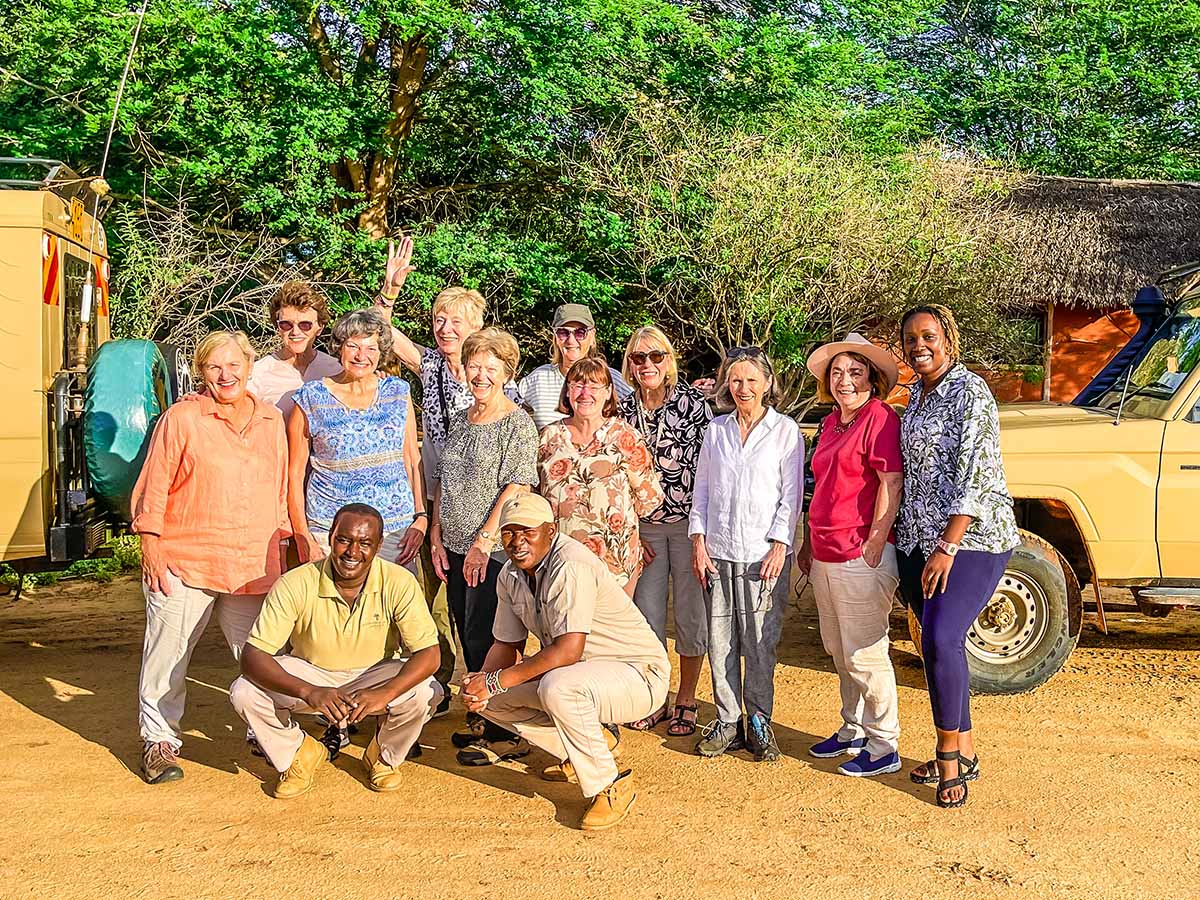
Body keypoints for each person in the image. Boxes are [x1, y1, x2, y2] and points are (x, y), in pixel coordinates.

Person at [130, 330, 289, 784]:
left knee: (261, 654)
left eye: (234, 365)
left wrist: (284, 547)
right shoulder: (182, 419)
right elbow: (154, 485)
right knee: (169, 655)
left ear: (249, 366)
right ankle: (159, 740)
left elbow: (279, 490)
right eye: (215, 366)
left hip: (252, 562)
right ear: (201, 372)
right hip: (185, 558)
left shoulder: (270, 420)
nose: (226, 374)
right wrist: (151, 543)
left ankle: (267, 732)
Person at [463, 493, 670, 831]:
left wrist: (497, 680)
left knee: (558, 687)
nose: (517, 542)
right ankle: (590, 749)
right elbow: (506, 643)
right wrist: (482, 684)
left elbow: (568, 651)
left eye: (527, 531)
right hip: (581, 678)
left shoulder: (570, 564)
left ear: (551, 529)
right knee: (489, 698)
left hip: (638, 675)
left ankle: (610, 785)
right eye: (509, 533)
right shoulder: (511, 575)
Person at [895, 304, 1019, 809]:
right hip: (917, 542)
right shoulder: (915, 400)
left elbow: (976, 474)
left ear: (948, 338)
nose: (918, 345)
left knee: (944, 637)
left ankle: (948, 756)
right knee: (935, 643)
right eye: (910, 338)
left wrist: (948, 545)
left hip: (970, 541)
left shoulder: (971, 393)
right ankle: (964, 746)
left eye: (928, 336)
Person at [230, 504, 442, 798]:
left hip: (372, 677)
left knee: (426, 691)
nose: (353, 552)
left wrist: (385, 693)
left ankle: (382, 757)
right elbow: (253, 656)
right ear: (330, 537)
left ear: (379, 546)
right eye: (344, 540)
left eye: (365, 543)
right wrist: (309, 691)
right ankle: (298, 754)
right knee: (244, 692)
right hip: (312, 675)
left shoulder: (399, 581)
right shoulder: (296, 582)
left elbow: (429, 654)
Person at [371, 237, 496, 699]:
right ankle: (435, 686)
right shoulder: (431, 365)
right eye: (440, 319)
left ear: (475, 328)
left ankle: (486, 687)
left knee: (477, 602)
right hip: (430, 498)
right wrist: (390, 289)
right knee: (427, 594)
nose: (445, 328)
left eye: (455, 321)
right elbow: (377, 333)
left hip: (479, 505)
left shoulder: (494, 375)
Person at [796, 333, 904, 777]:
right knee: (838, 648)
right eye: (837, 372)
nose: (844, 380)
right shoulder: (830, 423)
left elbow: (890, 482)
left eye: (855, 372)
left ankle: (885, 743)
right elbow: (821, 486)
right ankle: (852, 728)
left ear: (872, 379)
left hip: (860, 550)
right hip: (825, 549)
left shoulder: (878, 418)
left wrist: (876, 540)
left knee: (864, 651)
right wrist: (807, 541)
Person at [429, 327, 539, 763]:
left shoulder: (517, 422)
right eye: (474, 365)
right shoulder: (460, 420)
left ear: (506, 372)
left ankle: (505, 728)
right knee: (466, 632)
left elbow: (516, 487)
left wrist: (483, 541)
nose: (480, 374)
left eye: (490, 367)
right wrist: (437, 535)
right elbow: (444, 482)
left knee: (493, 637)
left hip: (490, 550)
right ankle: (482, 715)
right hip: (453, 544)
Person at [689, 346, 803, 762]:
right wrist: (698, 542)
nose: (743, 388)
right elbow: (701, 491)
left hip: (762, 555)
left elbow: (791, 494)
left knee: (759, 642)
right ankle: (726, 720)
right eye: (735, 380)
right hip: (718, 552)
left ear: (768, 383)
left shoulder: (785, 430)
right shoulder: (715, 431)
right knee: (719, 641)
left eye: (752, 380)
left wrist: (780, 544)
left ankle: (758, 721)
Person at [619, 326, 712, 736]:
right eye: (639, 358)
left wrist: (703, 535)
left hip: (689, 527)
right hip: (645, 531)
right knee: (646, 617)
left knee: (692, 617)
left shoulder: (693, 404)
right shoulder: (621, 410)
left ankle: (687, 697)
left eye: (655, 357)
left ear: (668, 360)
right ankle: (655, 696)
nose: (647, 365)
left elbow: (711, 474)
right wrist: (632, 532)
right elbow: (617, 474)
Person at [286, 309, 427, 570]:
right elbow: (294, 474)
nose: (362, 356)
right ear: (339, 348)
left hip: (395, 530)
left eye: (371, 348)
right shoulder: (311, 397)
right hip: (332, 531)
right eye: (353, 346)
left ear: (381, 352)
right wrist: (302, 533)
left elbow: (410, 456)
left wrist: (420, 517)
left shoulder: (397, 391)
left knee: (391, 607)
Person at [538, 356, 663, 596]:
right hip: (560, 561)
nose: (586, 393)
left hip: (616, 566)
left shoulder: (625, 437)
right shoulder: (548, 438)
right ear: (567, 392)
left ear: (608, 393)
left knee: (610, 632)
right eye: (578, 385)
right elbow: (535, 497)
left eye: (595, 386)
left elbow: (650, 499)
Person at [516, 303, 633, 430]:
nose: (571, 340)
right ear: (555, 336)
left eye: (580, 333)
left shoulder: (612, 379)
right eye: (563, 332)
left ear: (592, 335)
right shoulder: (536, 380)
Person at [247, 281, 342, 417]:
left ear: (320, 327)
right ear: (277, 327)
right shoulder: (258, 374)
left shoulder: (337, 369)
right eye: (286, 324)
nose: (295, 332)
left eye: (305, 325)